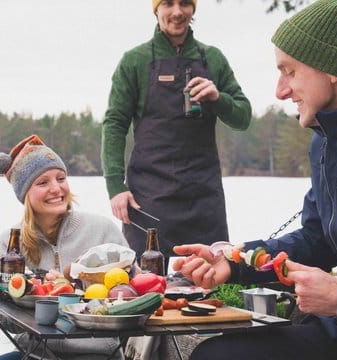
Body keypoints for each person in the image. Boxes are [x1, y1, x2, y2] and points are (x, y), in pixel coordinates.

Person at [172, 1, 337, 359]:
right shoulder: (329, 136)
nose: (280, 91)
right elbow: (318, 238)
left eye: (289, 72)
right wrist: (235, 262)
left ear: (332, 68)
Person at [101, 0, 252, 262]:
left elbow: (243, 116)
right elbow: (115, 123)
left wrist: (218, 97)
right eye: (168, 3)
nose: (177, 12)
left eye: (185, 3)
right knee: (145, 284)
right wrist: (115, 186)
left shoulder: (212, 58)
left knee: (211, 284)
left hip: (204, 195)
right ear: (156, 9)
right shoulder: (135, 61)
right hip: (148, 196)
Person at [0, 134, 129, 360]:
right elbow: (9, 323)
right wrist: (29, 292)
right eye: (43, 182)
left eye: (61, 178)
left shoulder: (102, 229)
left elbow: (131, 300)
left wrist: (77, 285)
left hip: (96, 353)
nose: (56, 189)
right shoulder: (10, 240)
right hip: (34, 353)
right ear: (25, 194)